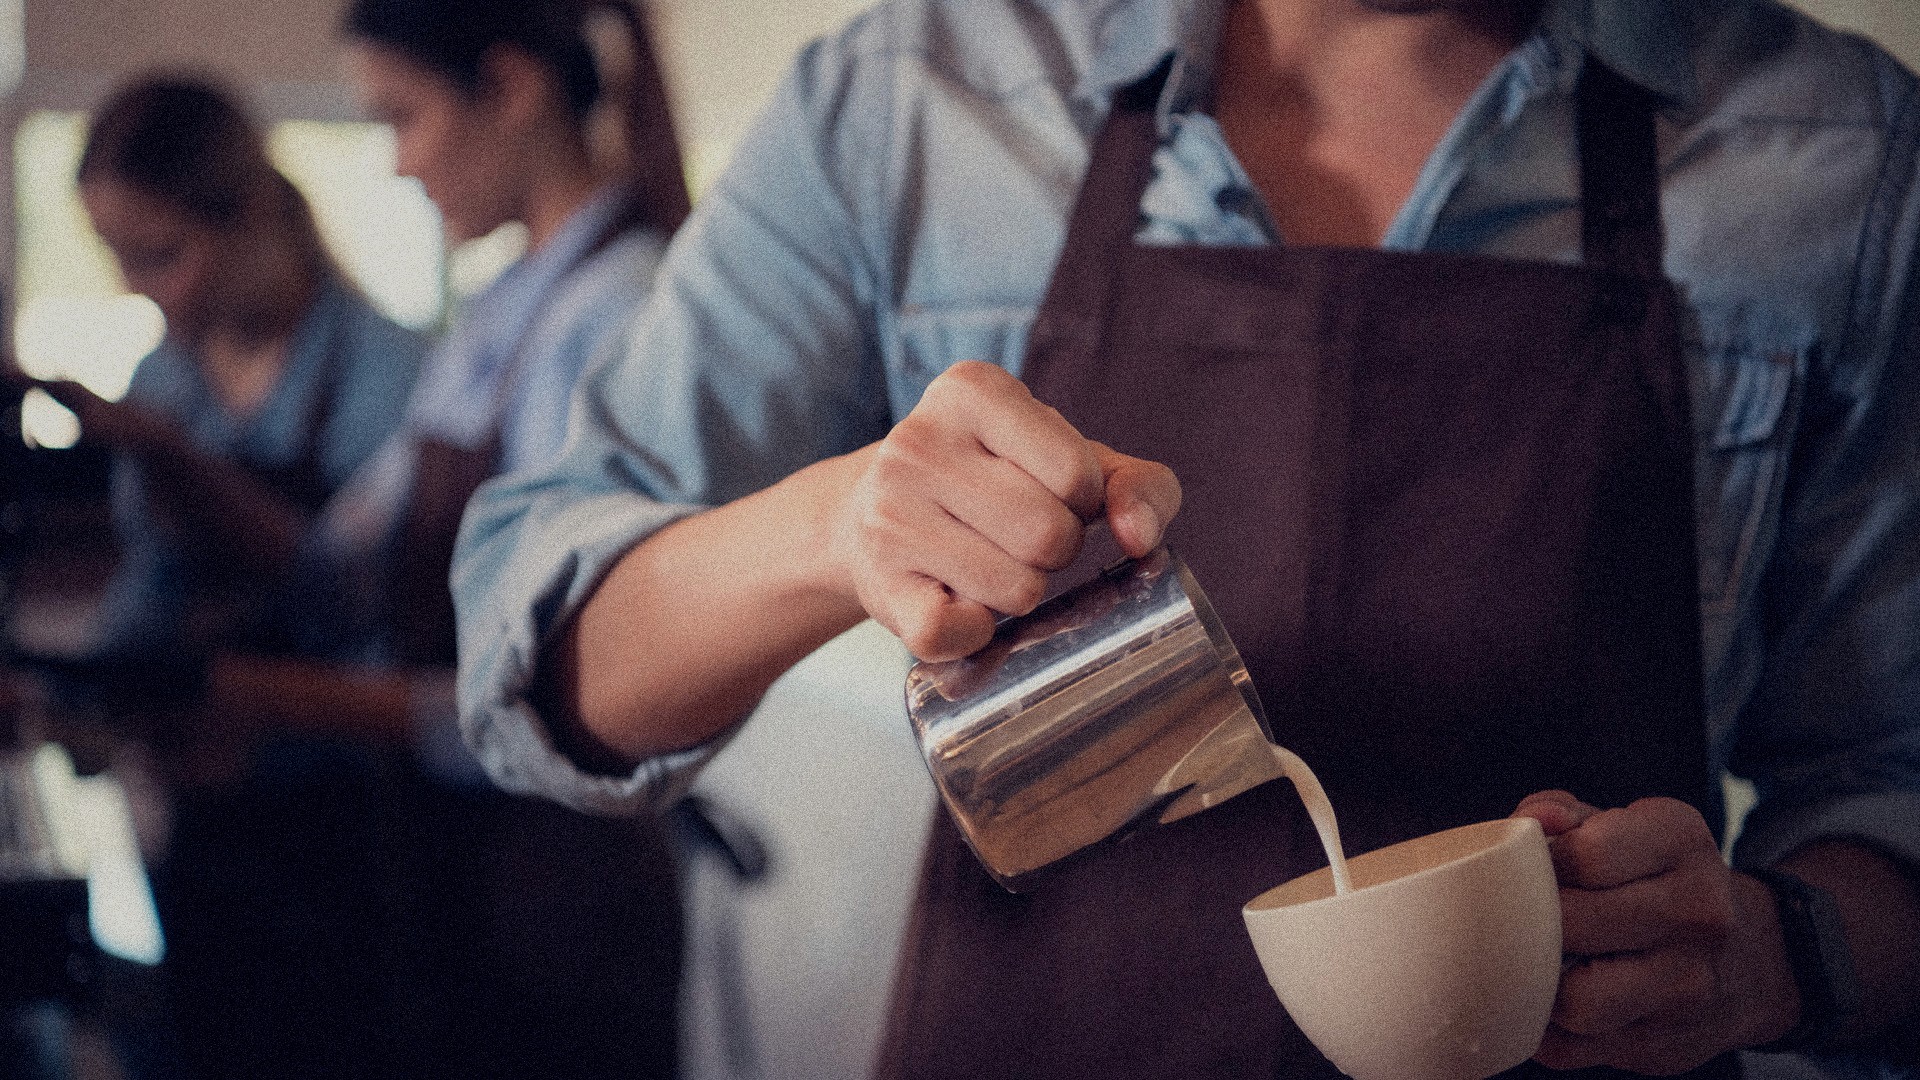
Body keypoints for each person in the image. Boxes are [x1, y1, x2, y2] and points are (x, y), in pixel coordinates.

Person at [454, 1, 1920, 1079]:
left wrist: (1771, 954)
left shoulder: (1836, 155)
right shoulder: (912, 96)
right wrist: (828, 527)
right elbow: (538, 655)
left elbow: (1890, 776)